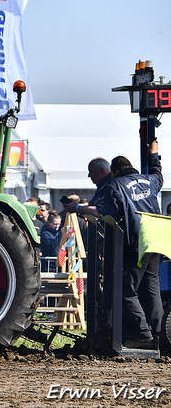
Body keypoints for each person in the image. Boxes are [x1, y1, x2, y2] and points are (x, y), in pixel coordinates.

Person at [72, 142, 163, 349]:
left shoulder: (115, 185)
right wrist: (154, 154)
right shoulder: (149, 181)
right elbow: (159, 174)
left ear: (113, 171)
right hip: (155, 240)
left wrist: (77, 207)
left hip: (136, 243)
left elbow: (103, 212)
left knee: (125, 290)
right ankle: (159, 337)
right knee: (151, 289)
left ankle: (143, 335)